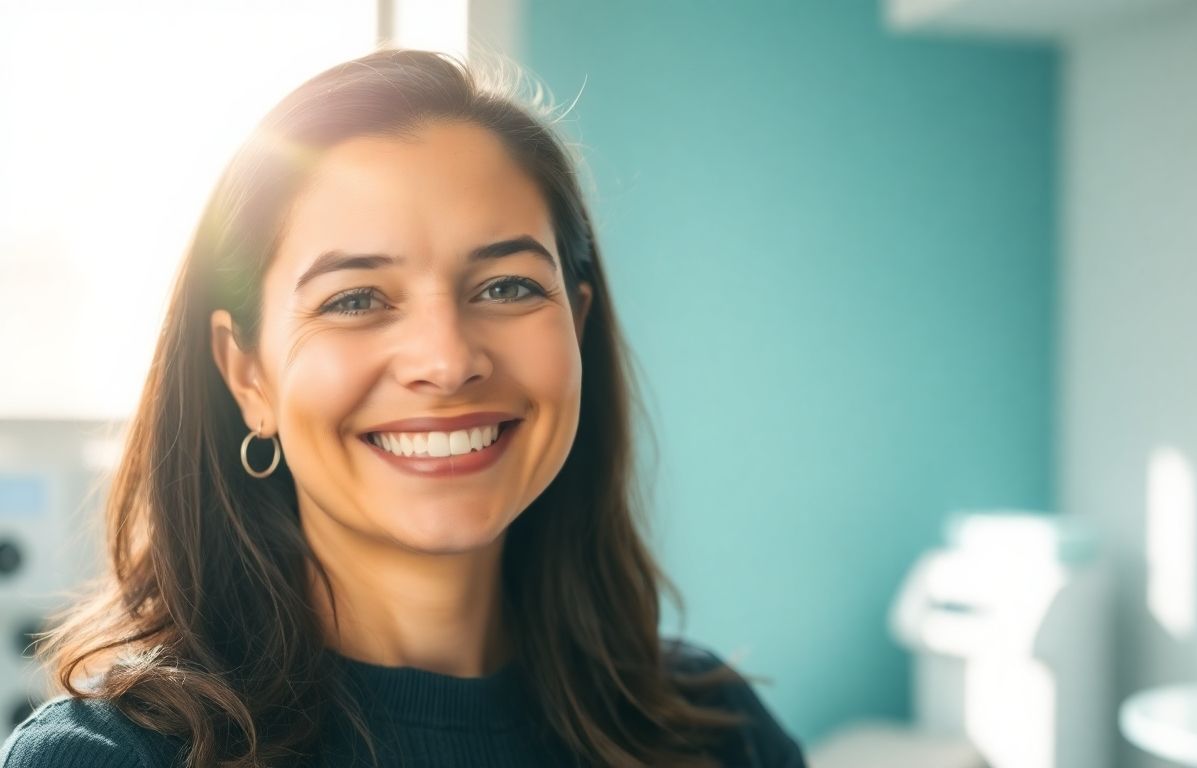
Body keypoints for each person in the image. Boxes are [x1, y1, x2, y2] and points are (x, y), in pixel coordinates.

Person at [0, 49, 806, 767]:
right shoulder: (110, 759)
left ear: (578, 325)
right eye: (356, 299)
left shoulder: (720, 733)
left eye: (507, 286)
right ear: (248, 375)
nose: (448, 361)